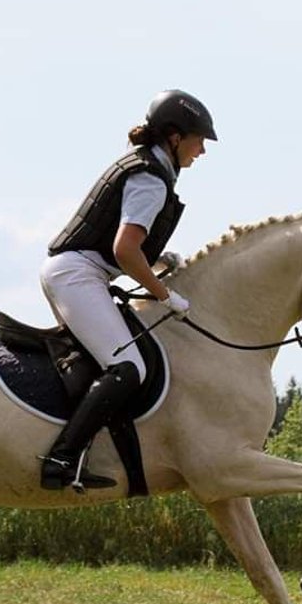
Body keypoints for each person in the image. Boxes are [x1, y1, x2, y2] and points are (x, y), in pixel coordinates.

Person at [39, 89, 217, 490]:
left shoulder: (147, 168)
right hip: (78, 275)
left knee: (115, 358)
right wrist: (163, 294)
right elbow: (123, 250)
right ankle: (61, 459)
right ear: (175, 137)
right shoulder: (150, 179)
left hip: (81, 272)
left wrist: (158, 264)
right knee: (129, 366)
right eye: (199, 140)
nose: (202, 151)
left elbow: (121, 251)